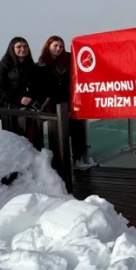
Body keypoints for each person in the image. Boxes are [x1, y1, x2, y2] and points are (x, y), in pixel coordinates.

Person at [36, 35, 95, 170]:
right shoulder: (42, 62)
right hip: (53, 103)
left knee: (77, 132)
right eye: (55, 46)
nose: (58, 49)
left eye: (61, 46)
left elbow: (85, 61)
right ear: (48, 46)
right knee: (57, 135)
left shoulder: (69, 58)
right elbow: (42, 85)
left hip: (71, 100)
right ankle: (59, 164)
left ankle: (77, 160)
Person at [0, 36, 38, 109]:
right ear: (12, 49)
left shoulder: (30, 66)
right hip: (7, 105)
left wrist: (30, 98)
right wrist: (19, 99)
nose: (23, 49)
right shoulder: (3, 66)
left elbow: (35, 85)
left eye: (25, 47)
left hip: (24, 104)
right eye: (19, 47)